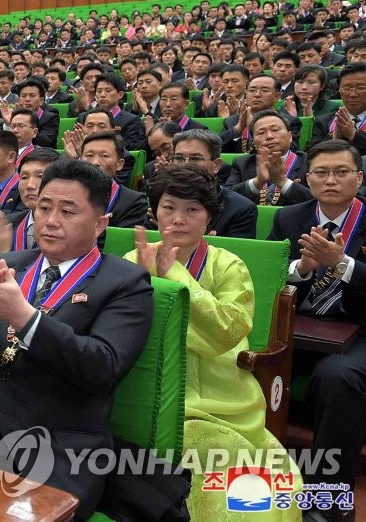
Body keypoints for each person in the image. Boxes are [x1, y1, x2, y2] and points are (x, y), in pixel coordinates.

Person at [0, 158, 153, 519]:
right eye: (44, 208)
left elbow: (101, 367)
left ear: (101, 224)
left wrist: (24, 316)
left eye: (68, 211)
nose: (51, 220)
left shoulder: (126, 283)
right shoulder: (11, 263)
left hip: (54, 450)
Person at [125, 163, 302, 520]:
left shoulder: (229, 265)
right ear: (154, 210)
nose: (178, 218)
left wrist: (172, 274)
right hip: (153, 389)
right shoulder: (133, 260)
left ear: (209, 217)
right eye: (168, 207)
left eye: (192, 210)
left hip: (219, 395)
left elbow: (227, 331)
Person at [269, 139, 366, 521]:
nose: (331, 180)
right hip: (301, 325)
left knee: (337, 379)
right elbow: (272, 272)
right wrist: (304, 267)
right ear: (307, 177)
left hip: (359, 330)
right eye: (321, 172)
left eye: (341, 172)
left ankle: (327, 499)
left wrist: (341, 264)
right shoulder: (289, 217)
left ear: (359, 177)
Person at [168, 129, 257, 238]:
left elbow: (233, 254)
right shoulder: (161, 201)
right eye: (179, 158)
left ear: (216, 165)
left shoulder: (240, 209)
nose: (186, 165)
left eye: (195, 158)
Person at [225, 110, 312, 206]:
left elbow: (319, 199)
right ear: (253, 142)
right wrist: (257, 182)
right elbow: (226, 197)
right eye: (261, 132)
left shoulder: (308, 161)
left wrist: (283, 182)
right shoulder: (242, 163)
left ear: (290, 137)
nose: (269, 136)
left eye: (275, 130)